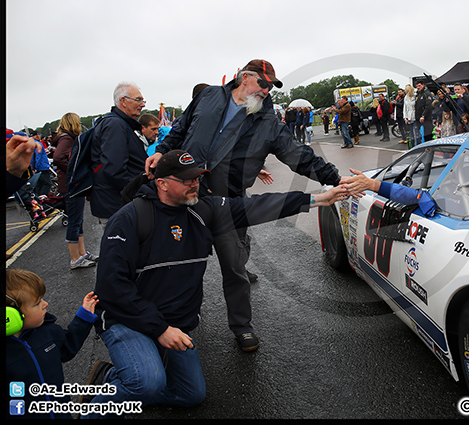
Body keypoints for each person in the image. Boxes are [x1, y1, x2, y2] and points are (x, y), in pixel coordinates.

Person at [87, 149, 347, 417]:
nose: (195, 184)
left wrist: (318, 199)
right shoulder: (129, 219)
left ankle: (122, 378)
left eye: (197, 177)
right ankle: (107, 395)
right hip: (127, 319)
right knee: (147, 382)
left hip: (173, 323)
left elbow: (257, 206)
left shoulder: (204, 209)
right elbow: (111, 287)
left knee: (191, 395)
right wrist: (160, 328)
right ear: (161, 183)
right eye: (186, 180)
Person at [145, 60, 343, 352]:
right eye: (262, 83)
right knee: (171, 262)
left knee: (235, 268)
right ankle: (169, 321)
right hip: (183, 195)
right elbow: (180, 129)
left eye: (270, 86)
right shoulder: (209, 96)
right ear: (244, 78)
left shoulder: (268, 123)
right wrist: (161, 151)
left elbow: (299, 156)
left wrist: (335, 178)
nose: (265, 90)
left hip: (228, 200)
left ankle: (242, 327)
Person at [6, 269, 98, 419]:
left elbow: (68, 346)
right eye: (37, 303)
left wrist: (84, 317)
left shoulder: (48, 331)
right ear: (10, 315)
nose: (45, 304)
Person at [90, 81, 148, 225]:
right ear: (123, 101)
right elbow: (114, 169)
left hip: (117, 203)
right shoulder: (115, 125)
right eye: (138, 100)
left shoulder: (119, 124)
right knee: (122, 246)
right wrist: (138, 191)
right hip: (117, 206)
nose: (143, 104)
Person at [51, 113, 99, 269]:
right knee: (74, 220)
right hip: (70, 185)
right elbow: (58, 158)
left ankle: (82, 253)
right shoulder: (66, 139)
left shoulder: (66, 138)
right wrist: (74, 171)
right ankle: (75, 258)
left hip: (69, 184)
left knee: (78, 219)